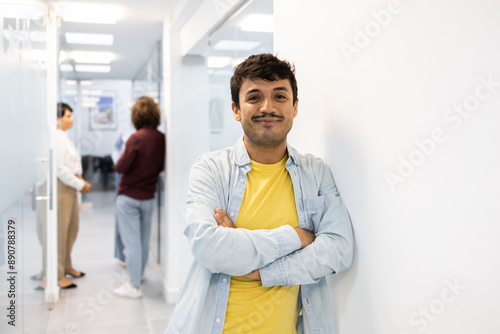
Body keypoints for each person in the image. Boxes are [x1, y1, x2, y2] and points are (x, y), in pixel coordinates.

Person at [165, 54, 354, 334]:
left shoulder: (315, 173)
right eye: (254, 97)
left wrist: (258, 270)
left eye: (280, 96)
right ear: (236, 110)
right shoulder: (210, 169)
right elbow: (209, 247)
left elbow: (339, 249)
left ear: (295, 106)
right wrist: (298, 237)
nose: (268, 107)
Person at [113, 96, 165, 299]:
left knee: (131, 243)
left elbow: (121, 166)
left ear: (136, 115)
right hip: (149, 196)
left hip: (129, 197)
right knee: (143, 240)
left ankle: (133, 285)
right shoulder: (161, 138)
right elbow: (160, 166)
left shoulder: (135, 138)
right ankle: (139, 275)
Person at [55, 102, 91, 289]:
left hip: (71, 187)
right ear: (57, 119)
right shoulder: (57, 137)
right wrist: (80, 183)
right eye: (68, 116)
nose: (72, 119)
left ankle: (67, 266)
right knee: (61, 232)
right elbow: (60, 169)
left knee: (71, 229)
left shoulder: (64, 137)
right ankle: (59, 274)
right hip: (64, 188)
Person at [111, 120, 136, 268]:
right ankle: (123, 255)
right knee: (121, 214)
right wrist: (118, 161)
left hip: (140, 177)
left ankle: (136, 254)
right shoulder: (125, 127)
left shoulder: (151, 130)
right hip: (123, 173)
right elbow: (115, 147)